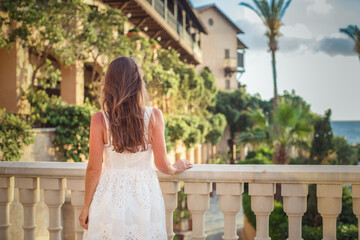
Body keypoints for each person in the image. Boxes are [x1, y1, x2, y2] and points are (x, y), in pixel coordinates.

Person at [79, 57, 193, 239]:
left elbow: (94, 168)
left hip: (110, 194)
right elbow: (162, 164)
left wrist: (86, 206)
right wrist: (176, 167)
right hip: (144, 194)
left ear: (109, 84)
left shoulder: (99, 119)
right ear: (138, 82)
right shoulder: (154, 116)